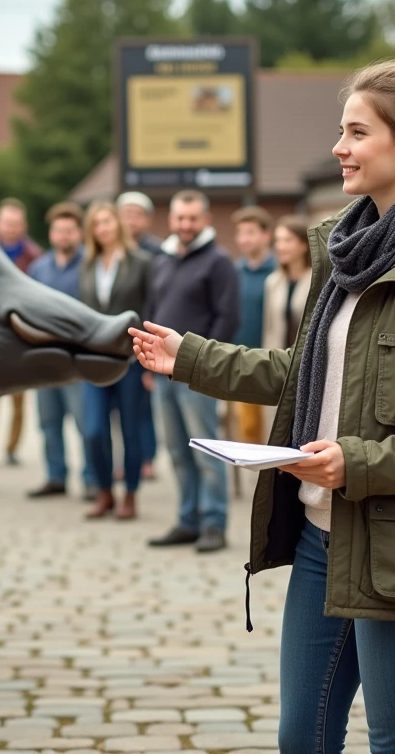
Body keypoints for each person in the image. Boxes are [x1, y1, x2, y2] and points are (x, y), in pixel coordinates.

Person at [129, 60, 395, 753]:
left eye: (357, 133)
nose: (339, 147)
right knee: (302, 737)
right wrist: (189, 357)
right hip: (322, 538)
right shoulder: (350, 252)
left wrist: (359, 463)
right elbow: (308, 372)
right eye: (342, 131)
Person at [145, 189, 240, 554]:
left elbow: (227, 317)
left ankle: (214, 523)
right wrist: (148, 363)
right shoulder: (162, 260)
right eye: (180, 218)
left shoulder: (218, 262)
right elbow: (152, 311)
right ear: (171, 220)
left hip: (197, 374)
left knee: (206, 451)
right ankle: (188, 521)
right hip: (163, 373)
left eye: (192, 218)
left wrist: (205, 364)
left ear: (205, 220)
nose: (185, 225)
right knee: (176, 450)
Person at [79, 201, 152, 520]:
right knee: (93, 430)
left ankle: (130, 494)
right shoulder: (87, 264)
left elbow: (150, 310)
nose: (102, 229)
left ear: (118, 225)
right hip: (95, 362)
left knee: (131, 431)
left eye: (107, 222)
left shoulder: (141, 262)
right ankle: (104, 491)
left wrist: (149, 361)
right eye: (96, 224)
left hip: (131, 360)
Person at [26, 202, 96, 500]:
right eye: (58, 230)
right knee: (48, 422)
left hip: (79, 360)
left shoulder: (91, 265)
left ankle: (92, 479)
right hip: (46, 360)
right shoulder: (38, 268)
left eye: (69, 230)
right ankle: (56, 476)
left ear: (79, 233)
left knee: (85, 424)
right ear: (51, 233)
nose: (64, 235)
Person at [0, 198, 42, 465]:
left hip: (22, 336)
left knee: (18, 399)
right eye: (7, 223)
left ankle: (12, 448)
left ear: (23, 226)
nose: (11, 228)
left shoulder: (35, 257)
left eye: (15, 224)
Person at [117, 191, 162, 481]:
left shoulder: (157, 252)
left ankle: (147, 457)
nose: (131, 220)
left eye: (137, 215)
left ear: (147, 219)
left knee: (143, 407)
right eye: (126, 214)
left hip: (146, 336)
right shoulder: (111, 249)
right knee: (119, 409)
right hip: (117, 342)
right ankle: (125, 458)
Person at [259, 214, 312, 435]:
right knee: (275, 429)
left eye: (287, 240)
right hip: (280, 366)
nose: (280, 246)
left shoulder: (317, 280)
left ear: (304, 245)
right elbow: (269, 329)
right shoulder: (273, 282)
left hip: (307, 366)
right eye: (278, 241)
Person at [231, 206, 276, 445]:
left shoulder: (279, 271)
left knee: (271, 430)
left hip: (271, 362)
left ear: (266, 235)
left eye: (250, 232)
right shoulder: (234, 272)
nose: (243, 239)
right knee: (245, 431)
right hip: (240, 362)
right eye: (240, 233)